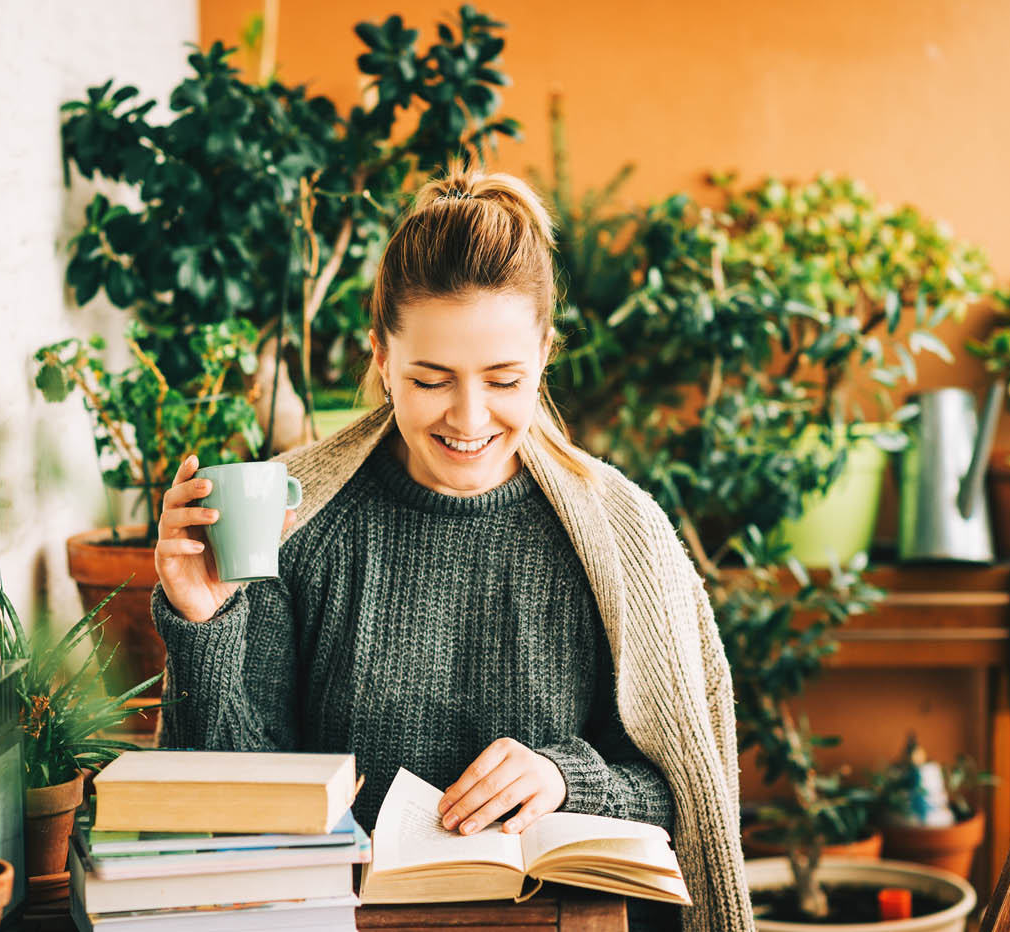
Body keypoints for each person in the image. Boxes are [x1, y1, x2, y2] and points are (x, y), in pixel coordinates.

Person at [151, 163, 754, 932]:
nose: (469, 419)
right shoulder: (294, 519)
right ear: (381, 359)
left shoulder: (619, 533)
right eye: (432, 379)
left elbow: (686, 795)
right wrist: (203, 623)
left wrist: (565, 779)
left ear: (545, 355)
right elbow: (231, 809)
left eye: (504, 379)